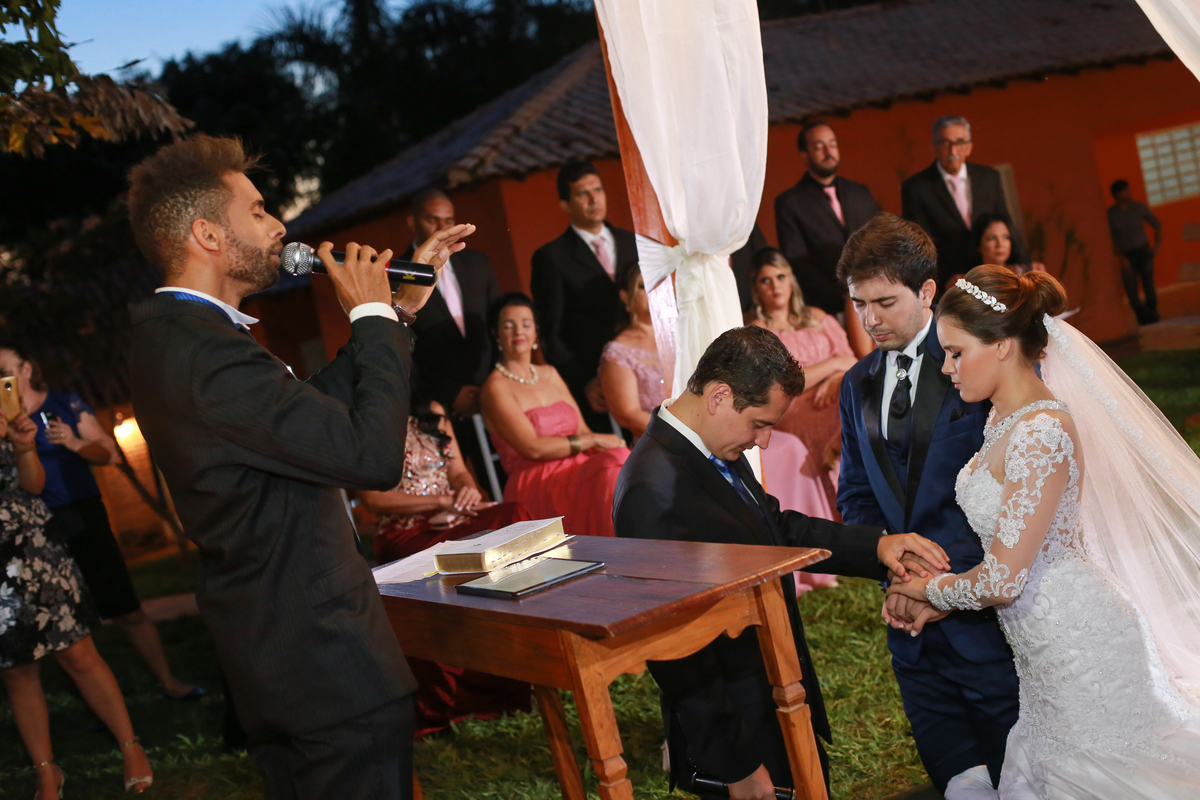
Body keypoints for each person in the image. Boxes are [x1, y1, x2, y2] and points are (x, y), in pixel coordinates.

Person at [125, 133, 473, 800]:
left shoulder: (188, 339)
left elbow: (311, 421)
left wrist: (395, 311)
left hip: (291, 656)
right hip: (320, 660)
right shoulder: (202, 354)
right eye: (258, 211)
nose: (280, 225)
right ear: (207, 235)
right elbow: (369, 456)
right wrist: (369, 314)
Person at [886, 265, 1200, 797]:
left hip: (1081, 643)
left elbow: (1004, 580)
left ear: (1002, 345)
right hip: (1045, 648)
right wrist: (943, 598)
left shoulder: (1040, 431)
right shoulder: (1003, 419)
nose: (947, 367)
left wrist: (928, 590)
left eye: (957, 352)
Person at [612, 325, 951, 800]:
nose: (765, 442)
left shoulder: (706, 444)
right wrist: (736, 765)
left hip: (773, 693)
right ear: (720, 396)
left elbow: (771, 527)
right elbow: (674, 649)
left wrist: (875, 547)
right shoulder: (652, 489)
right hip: (741, 730)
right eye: (760, 424)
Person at [835, 214, 1020, 798]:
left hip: (986, 616)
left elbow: (1014, 491)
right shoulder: (855, 384)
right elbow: (856, 493)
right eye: (859, 304)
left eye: (885, 302)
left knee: (1018, 766)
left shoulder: (977, 363)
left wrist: (938, 583)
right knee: (955, 774)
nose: (870, 319)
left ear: (927, 292)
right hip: (908, 626)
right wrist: (897, 570)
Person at [0, 342, 204, 703]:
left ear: (26, 370)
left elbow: (108, 453)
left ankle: (168, 681)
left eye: (5, 371)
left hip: (82, 517)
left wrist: (74, 443)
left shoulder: (65, 405)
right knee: (62, 625)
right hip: (33, 532)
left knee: (124, 607)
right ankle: (94, 705)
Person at [357, 397, 532, 739]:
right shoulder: (363, 417)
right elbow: (373, 499)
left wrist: (466, 491)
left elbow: (459, 472)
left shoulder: (433, 410)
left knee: (515, 516)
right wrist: (441, 501)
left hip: (454, 516)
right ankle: (451, 697)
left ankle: (523, 659)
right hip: (406, 531)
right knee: (443, 561)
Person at [0, 409, 153, 798]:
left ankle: (130, 746)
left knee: (80, 655)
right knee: (17, 672)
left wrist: (23, 447)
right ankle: (46, 772)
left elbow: (34, 485)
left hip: (37, 551)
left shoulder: (6, 417)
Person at [480, 293, 630, 538]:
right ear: (496, 334)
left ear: (535, 331)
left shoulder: (550, 373)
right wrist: (595, 440)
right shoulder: (495, 388)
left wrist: (615, 449)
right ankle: (623, 550)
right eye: (508, 325)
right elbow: (533, 448)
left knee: (622, 460)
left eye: (526, 324)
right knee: (613, 467)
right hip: (538, 479)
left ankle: (632, 547)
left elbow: (582, 429)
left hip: (579, 467)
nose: (519, 331)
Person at [400, 189, 503, 487]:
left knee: (505, 479)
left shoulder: (478, 263)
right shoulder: (398, 272)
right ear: (412, 222)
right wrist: (450, 393)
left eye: (448, 220)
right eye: (433, 220)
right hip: (441, 406)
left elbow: (497, 324)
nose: (442, 228)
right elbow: (407, 346)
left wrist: (494, 385)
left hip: (493, 396)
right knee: (462, 488)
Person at [748, 248, 857, 523]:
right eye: (765, 280)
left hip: (834, 392)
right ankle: (845, 508)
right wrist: (832, 367)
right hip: (791, 407)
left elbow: (852, 362)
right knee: (844, 411)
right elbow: (783, 384)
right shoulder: (758, 330)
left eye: (780, 277)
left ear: (791, 280)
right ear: (756, 289)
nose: (775, 286)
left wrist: (834, 380)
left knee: (856, 395)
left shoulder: (817, 317)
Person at [530, 160, 638, 433]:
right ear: (566, 205)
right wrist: (585, 382)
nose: (593, 199)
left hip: (648, 368)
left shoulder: (633, 242)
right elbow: (552, 334)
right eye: (582, 194)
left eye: (598, 190)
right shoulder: (551, 258)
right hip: (596, 385)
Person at [774, 120, 879, 355]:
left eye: (832, 144)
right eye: (819, 146)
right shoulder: (790, 202)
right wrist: (845, 294)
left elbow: (879, 242)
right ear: (805, 155)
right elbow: (797, 261)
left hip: (876, 298)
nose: (828, 151)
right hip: (829, 308)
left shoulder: (859, 192)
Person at [902, 116, 1009, 291]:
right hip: (950, 284)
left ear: (969, 147)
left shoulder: (989, 177)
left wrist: (1025, 265)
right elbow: (920, 245)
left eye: (959, 142)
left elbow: (1005, 224)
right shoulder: (917, 188)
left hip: (991, 276)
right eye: (946, 143)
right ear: (935, 147)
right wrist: (945, 277)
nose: (953, 150)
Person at [599, 262, 668, 441]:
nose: (653, 292)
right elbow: (628, 415)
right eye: (643, 286)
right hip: (657, 442)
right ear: (625, 296)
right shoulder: (618, 352)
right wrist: (679, 436)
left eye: (657, 284)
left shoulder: (682, 334)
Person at [1106, 179, 1162, 325]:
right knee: (1132, 293)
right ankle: (1147, 319)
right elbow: (1111, 239)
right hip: (1127, 255)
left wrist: (1157, 245)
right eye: (1125, 191)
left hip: (1143, 251)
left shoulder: (1139, 208)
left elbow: (1156, 225)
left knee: (1149, 287)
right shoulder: (1111, 214)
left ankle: (1153, 318)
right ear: (1117, 194)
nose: (1129, 193)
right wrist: (1121, 257)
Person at [972, 212, 1045, 276]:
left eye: (1005, 237)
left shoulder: (1028, 274)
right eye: (992, 238)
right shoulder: (970, 281)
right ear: (978, 244)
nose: (1000, 244)